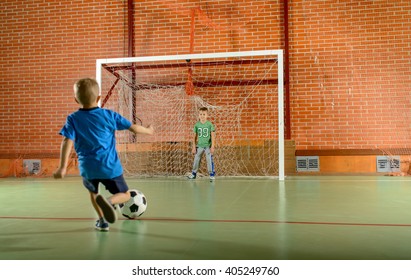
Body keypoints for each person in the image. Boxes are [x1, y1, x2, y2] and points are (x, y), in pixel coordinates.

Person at [53, 78, 154, 231]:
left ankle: (102, 222)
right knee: (125, 195)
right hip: (109, 166)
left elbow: (67, 141)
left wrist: (62, 167)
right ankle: (109, 201)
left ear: (76, 99)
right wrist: (148, 130)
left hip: (87, 169)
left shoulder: (73, 119)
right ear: (99, 98)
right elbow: (133, 128)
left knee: (93, 193)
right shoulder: (109, 115)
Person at [188, 107, 216, 181]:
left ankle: (211, 174)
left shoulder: (210, 124)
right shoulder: (197, 125)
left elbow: (213, 136)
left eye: (204, 114)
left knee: (209, 159)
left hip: (207, 146)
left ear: (207, 115)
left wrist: (212, 146)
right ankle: (194, 173)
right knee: (196, 159)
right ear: (198, 115)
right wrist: (194, 147)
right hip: (199, 146)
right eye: (201, 114)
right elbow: (194, 137)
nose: (202, 116)